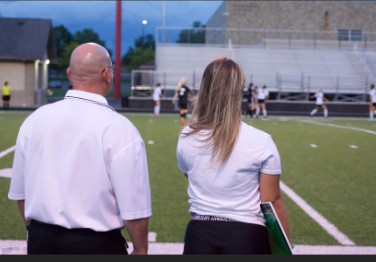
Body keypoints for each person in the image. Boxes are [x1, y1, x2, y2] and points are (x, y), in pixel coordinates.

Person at [8, 43, 152, 255]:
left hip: (41, 241)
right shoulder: (120, 128)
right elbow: (135, 208)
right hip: (96, 245)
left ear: (69, 74)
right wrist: (140, 250)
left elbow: (21, 193)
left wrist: (33, 229)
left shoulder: (34, 120)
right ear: (106, 74)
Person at [176, 57, 292, 255]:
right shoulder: (261, 141)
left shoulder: (187, 137)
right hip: (246, 236)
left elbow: (194, 177)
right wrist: (286, 250)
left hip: (199, 235)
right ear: (240, 91)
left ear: (205, 89)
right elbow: (271, 201)